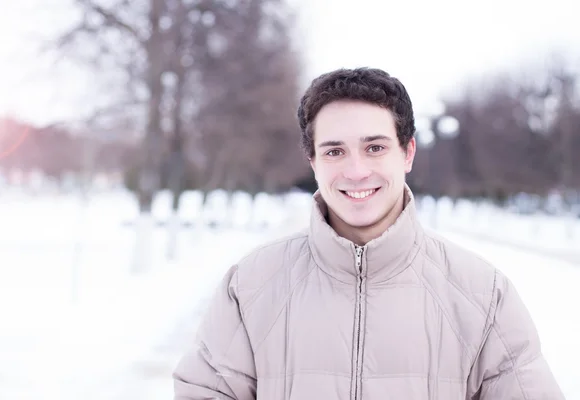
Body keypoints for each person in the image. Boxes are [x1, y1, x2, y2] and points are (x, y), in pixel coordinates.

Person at [172, 67, 565, 399]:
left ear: (407, 152)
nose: (356, 171)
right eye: (334, 151)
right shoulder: (252, 284)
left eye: (375, 148)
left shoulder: (482, 294)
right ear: (312, 160)